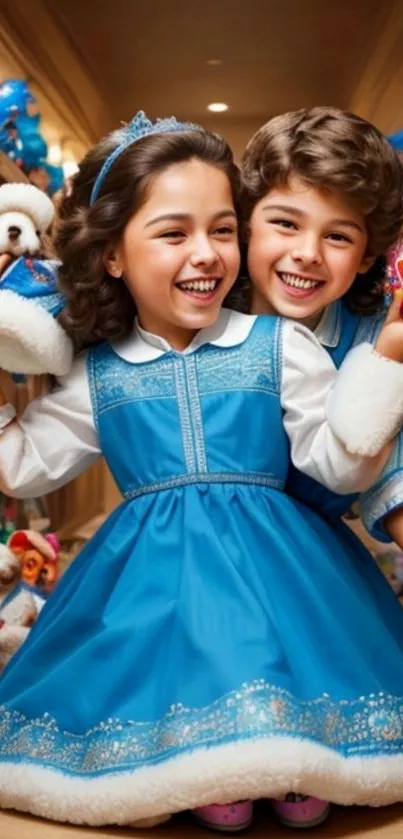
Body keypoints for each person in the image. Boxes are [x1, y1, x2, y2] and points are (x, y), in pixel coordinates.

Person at [0, 111, 402, 832]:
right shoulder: (100, 372)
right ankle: (204, 762)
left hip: (284, 562)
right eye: (173, 232)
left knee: (267, 641)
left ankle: (287, 754)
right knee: (167, 648)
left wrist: (384, 366)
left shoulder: (280, 344)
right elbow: (24, 466)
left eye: (222, 229)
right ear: (114, 255)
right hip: (148, 574)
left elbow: (340, 461)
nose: (206, 253)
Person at [241, 106, 403, 549]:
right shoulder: (201, 313)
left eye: (338, 237)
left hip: (311, 561)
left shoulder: (374, 337)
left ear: (368, 255)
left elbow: (391, 473)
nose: (308, 252)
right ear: (245, 225)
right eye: (286, 224)